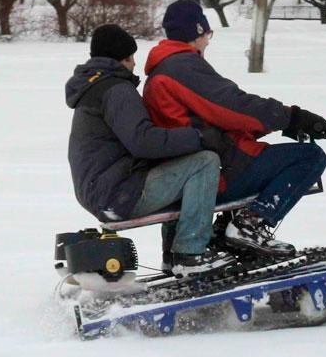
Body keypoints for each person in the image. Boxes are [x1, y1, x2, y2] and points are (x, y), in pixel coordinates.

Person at [143, 0, 326, 257]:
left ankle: (211, 238)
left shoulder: (161, 71)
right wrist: (290, 117)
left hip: (194, 169)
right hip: (218, 171)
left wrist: (271, 127)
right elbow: (232, 107)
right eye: (207, 34)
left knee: (266, 157)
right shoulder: (183, 67)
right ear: (196, 33)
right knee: (310, 158)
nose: (208, 41)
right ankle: (248, 226)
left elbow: (210, 122)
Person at [65, 24, 236, 277]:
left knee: (181, 166)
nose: (135, 64)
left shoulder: (93, 88)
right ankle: (190, 253)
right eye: (131, 57)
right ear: (123, 58)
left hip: (101, 190)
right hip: (118, 192)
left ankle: (173, 257)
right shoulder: (117, 90)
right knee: (204, 162)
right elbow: (144, 142)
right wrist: (199, 137)